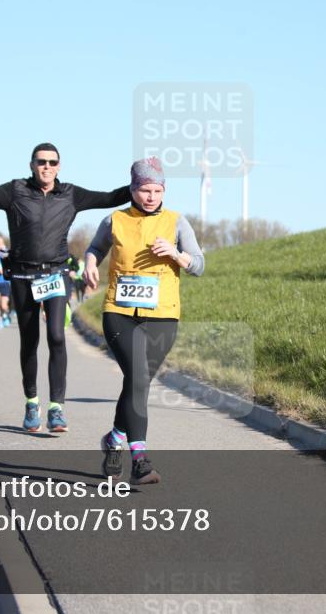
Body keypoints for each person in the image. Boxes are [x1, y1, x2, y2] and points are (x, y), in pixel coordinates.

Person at [0, 142, 129, 433]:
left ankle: (56, 408)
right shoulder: (15, 190)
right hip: (22, 277)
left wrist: (142, 182)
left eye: (52, 162)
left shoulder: (71, 194)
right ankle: (32, 402)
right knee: (30, 340)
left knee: (57, 336)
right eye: (41, 161)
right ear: (32, 164)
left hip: (56, 274)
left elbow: (110, 197)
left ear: (59, 166)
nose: (47, 167)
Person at [84, 157, 204, 485]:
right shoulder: (115, 220)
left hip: (163, 314)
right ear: (133, 189)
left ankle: (114, 440)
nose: (151, 196)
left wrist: (177, 255)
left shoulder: (178, 222)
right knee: (137, 376)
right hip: (119, 313)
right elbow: (95, 247)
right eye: (144, 190)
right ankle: (139, 457)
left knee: (139, 382)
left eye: (157, 190)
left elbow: (199, 265)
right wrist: (90, 263)